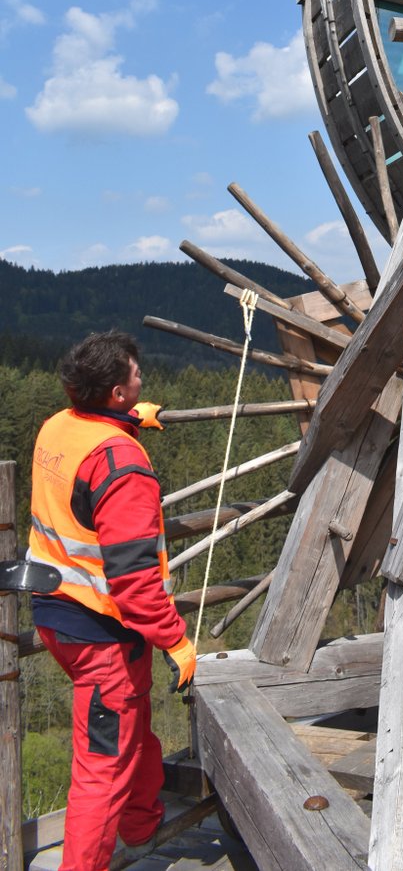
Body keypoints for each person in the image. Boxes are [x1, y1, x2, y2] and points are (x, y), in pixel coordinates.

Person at [28, 330, 196, 871]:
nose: (142, 377)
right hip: (102, 633)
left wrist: (126, 419)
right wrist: (176, 640)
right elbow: (134, 580)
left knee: (132, 723)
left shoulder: (60, 426)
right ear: (117, 394)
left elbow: (86, 453)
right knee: (101, 766)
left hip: (57, 612)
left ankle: (143, 824)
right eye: (135, 375)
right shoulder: (123, 466)